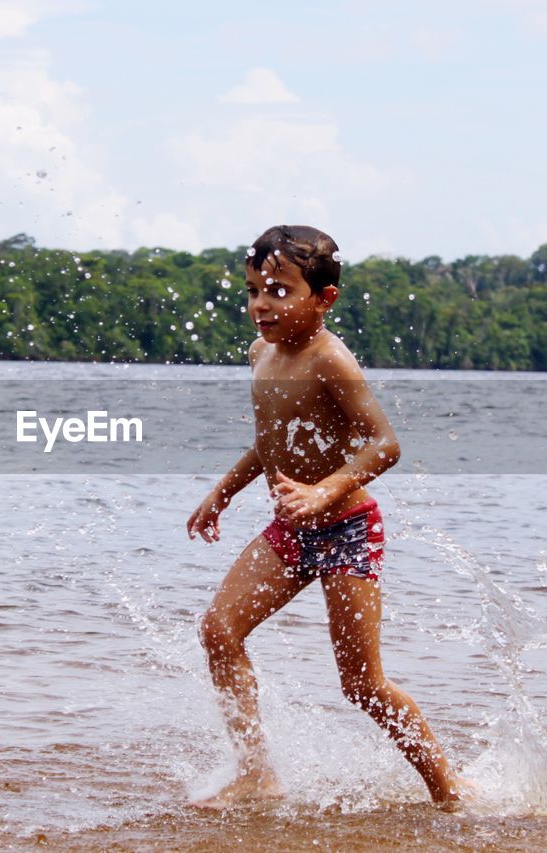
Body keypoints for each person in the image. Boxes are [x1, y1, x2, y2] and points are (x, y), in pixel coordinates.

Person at [186, 225, 466, 809]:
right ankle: (256, 774)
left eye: (280, 291)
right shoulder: (261, 354)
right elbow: (271, 441)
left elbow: (383, 444)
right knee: (219, 630)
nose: (262, 304)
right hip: (292, 529)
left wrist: (325, 491)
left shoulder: (331, 360)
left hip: (347, 530)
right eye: (253, 290)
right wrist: (225, 491)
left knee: (361, 686)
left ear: (324, 298)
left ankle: (448, 789)